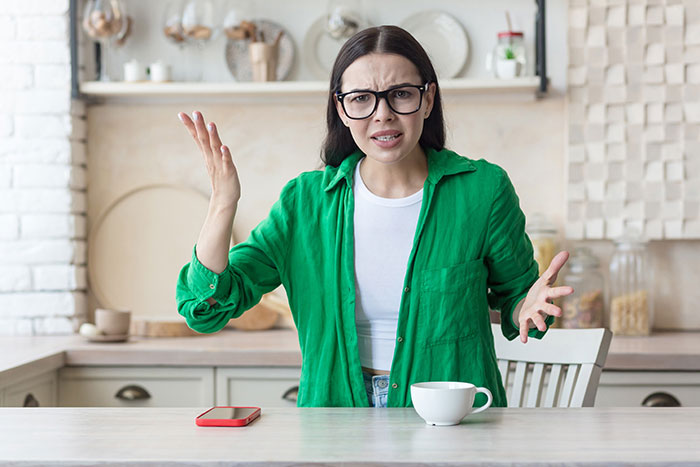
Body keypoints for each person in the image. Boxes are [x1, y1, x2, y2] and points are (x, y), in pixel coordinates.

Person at [175, 25, 573, 408]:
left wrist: (527, 308)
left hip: (451, 419)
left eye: (400, 94)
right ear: (341, 108)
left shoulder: (482, 190)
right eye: (362, 98)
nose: (382, 114)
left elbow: (518, 298)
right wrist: (223, 202)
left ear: (428, 99)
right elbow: (205, 308)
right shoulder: (305, 203)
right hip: (336, 418)